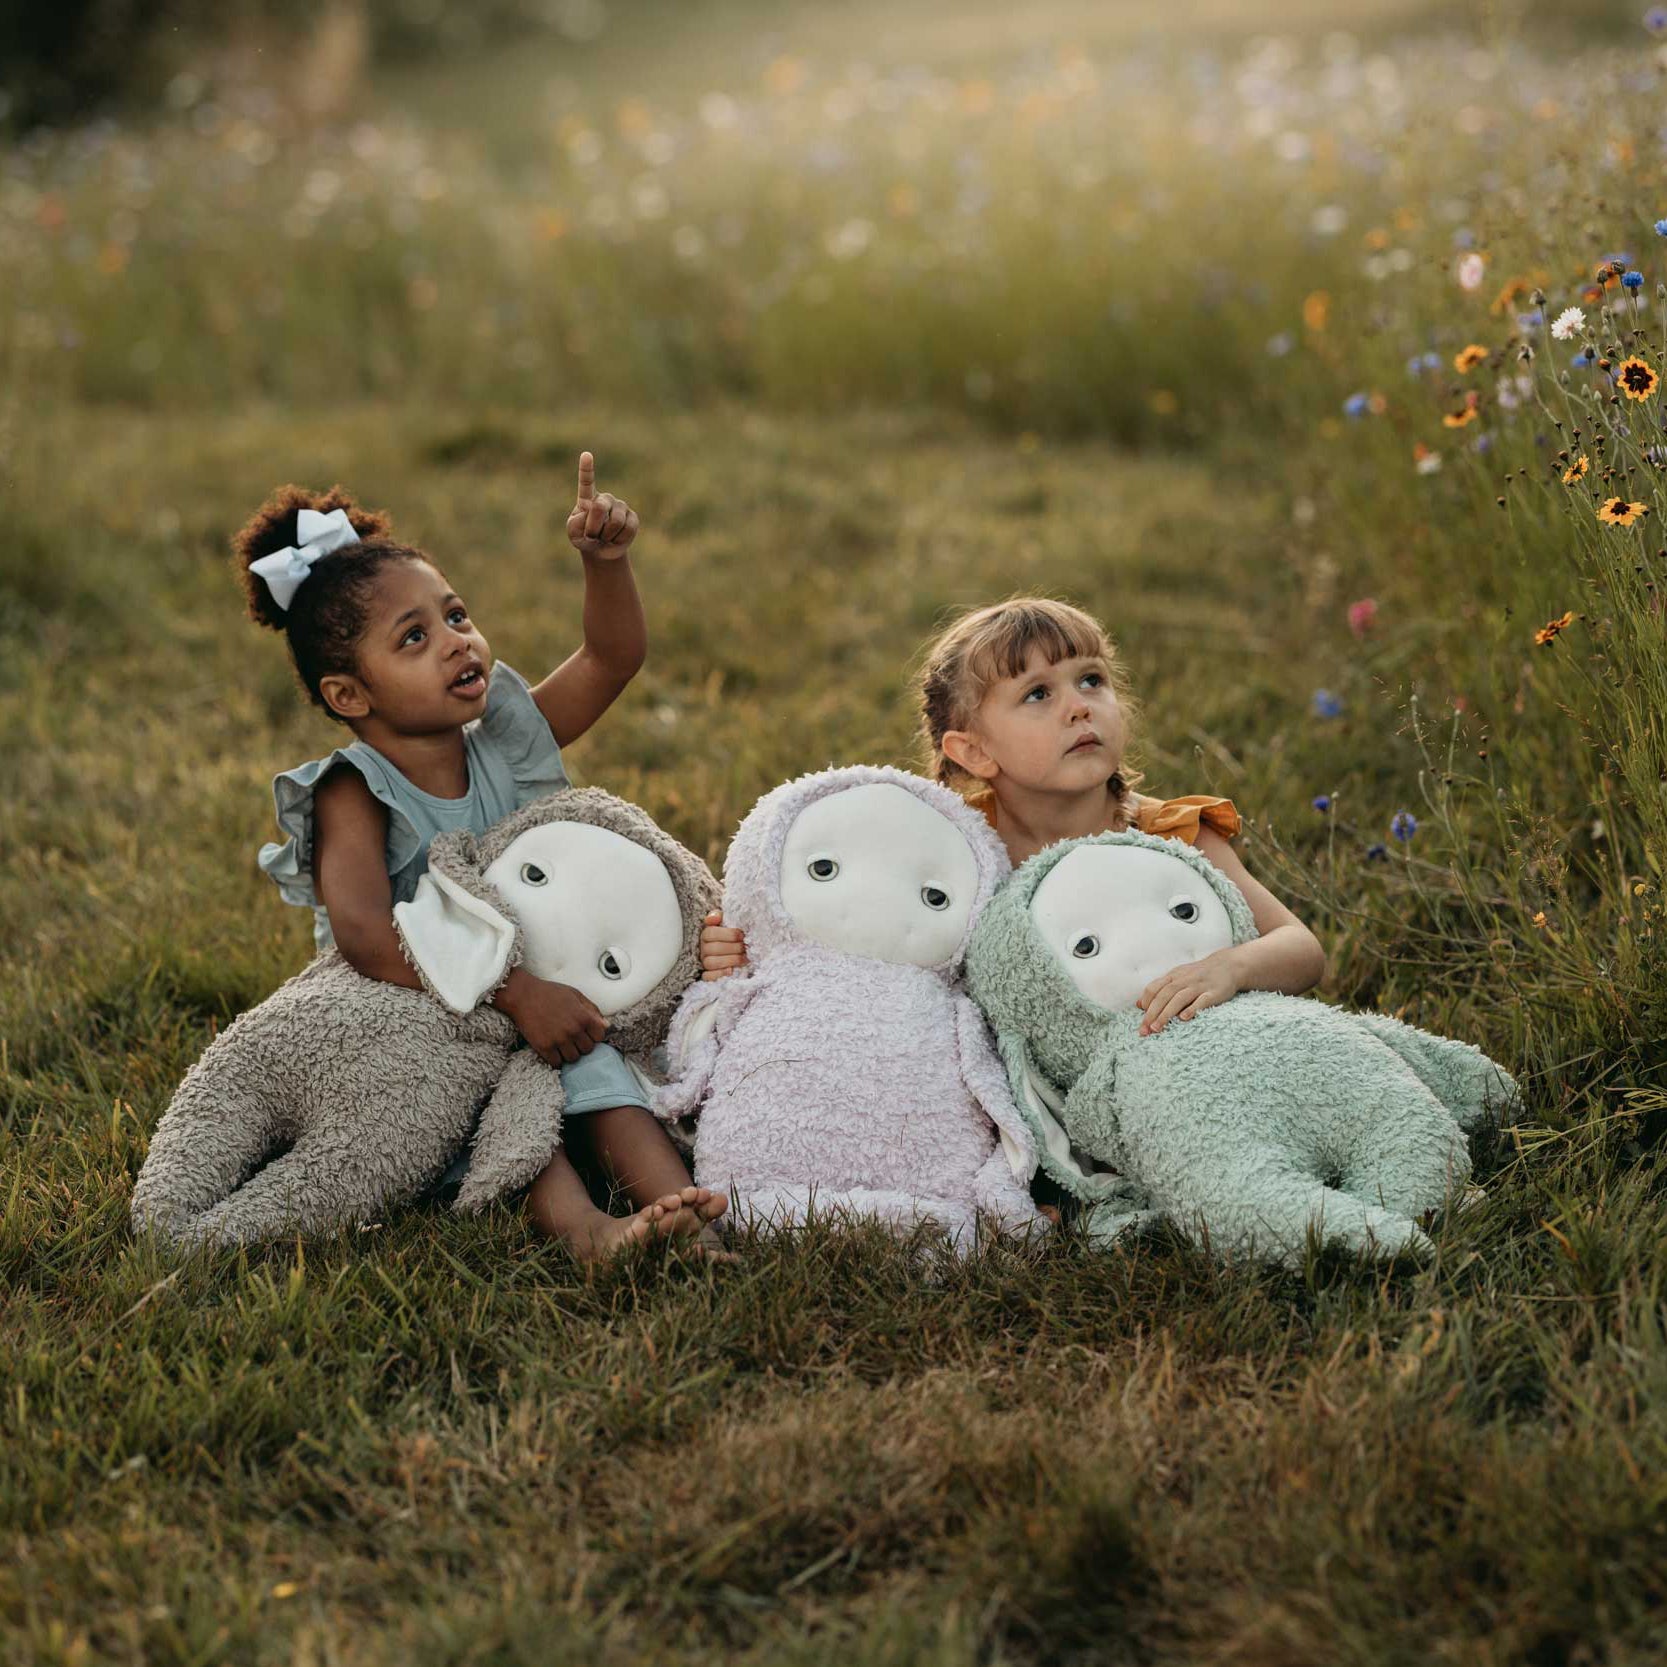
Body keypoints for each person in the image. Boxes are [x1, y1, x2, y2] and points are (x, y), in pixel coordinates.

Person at [239, 455, 725, 1257]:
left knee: (595, 1069)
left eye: (455, 615)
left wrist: (605, 565)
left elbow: (610, 660)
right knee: (488, 1097)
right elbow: (363, 935)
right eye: (415, 637)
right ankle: (587, 1234)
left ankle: (684, 1215)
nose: (455, 643)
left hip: (551, 1002)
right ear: (350, 696)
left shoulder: (505, 739)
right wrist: (512, 990)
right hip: (430, 1015)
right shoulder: (353, 792)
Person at [699, 597, 1325, 1036]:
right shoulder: (962, 858)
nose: (1079, 708)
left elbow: (1302, 950)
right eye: (1037, 695)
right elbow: (872, 946)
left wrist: (1231, 968)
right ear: (973, 751)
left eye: (1091, 681)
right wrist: (744, 951)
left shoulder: (1169, 835)